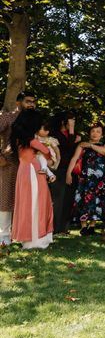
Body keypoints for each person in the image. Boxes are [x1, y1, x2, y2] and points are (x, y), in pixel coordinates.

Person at [10, 109, 53, 249]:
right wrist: (48, 155)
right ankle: (37, 239)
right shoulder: (31, 141)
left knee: (26, 203)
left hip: (23, 171)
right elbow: (47, 152)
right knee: (37, 202)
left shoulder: (18, 139)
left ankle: (28, 239)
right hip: (33, 172)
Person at [0, 91, 36, 245]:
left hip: (29, 163)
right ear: (18, 103)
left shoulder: (34, 119)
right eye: (28, 101)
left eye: (33, 102)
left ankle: (23, 234)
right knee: (6, 197)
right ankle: (3, 236)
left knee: (26, 199)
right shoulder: (7, 117)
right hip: (9, 162)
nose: (31, 104)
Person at [66, 123, 105, 235]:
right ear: (89, 132)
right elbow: (74, 159)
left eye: (98, 131)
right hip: (85, 178)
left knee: (97, 200)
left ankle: (92, 226)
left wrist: (91, 146)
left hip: (101, 179)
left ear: (102, 134)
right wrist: (68, 174)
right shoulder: (82, 144)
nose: (95, 134)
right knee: (83, 200)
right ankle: (84, 227)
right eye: (93, 131)